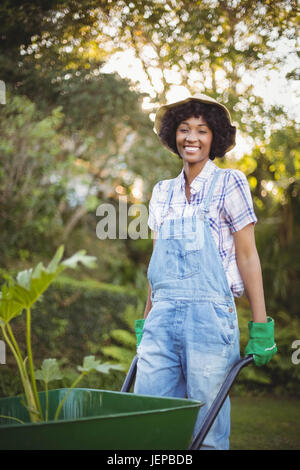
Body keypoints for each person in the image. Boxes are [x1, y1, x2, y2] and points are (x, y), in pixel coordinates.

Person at [134, 93, 277, 450]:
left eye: (201, 130)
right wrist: (146, 320)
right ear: (174, 136)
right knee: (149, 418)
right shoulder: (162, 192)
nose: (192, 138)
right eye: (184, 129)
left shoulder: (229, 183)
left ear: (214, 138)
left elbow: (247, 255)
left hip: (210, 318)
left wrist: (261, 325)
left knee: (206, 429)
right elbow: (158, 264)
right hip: (162, 318)